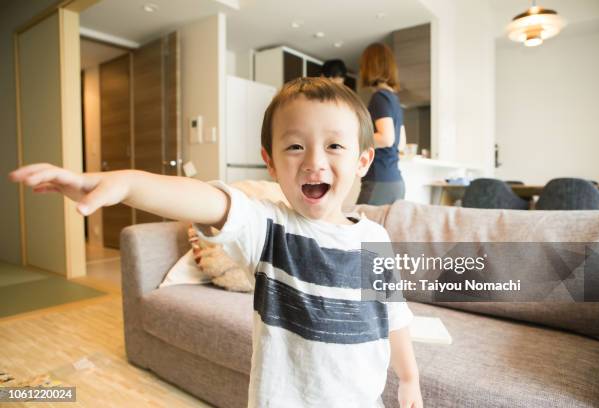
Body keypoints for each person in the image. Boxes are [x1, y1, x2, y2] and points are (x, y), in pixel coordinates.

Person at [9, 78, 422, 408]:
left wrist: (408, 378)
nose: (314, 160)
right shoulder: (269, 228)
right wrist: (124, 183)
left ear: (362, 160)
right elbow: (205, 200)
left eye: (334, 145)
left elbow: (394, 316)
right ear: (271, 162)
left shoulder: (374, 237)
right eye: (295, 146)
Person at [357, 43, 407, 205]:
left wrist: (354, 141)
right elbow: (401, 144)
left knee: (358, 227)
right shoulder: (394, 99)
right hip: (395, 182)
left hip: (380, 181)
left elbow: (386, 138)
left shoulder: (380, 97)